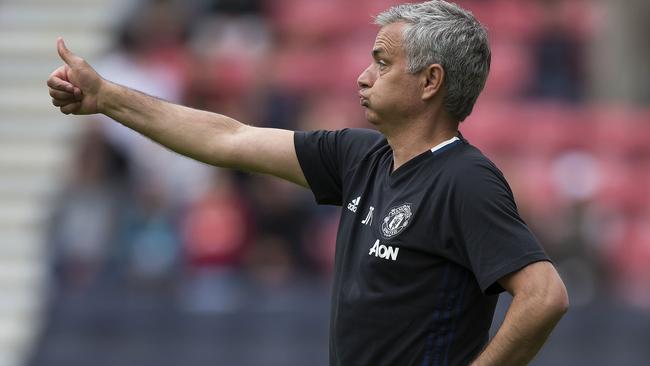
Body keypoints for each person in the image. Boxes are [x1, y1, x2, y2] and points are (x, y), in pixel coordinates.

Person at [47, 1, 568, 365]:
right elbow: (227, 139)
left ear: (431, 82)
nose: (363, 77)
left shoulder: (466, 179)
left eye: (383, 63)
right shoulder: (359, 156)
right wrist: (107, 98)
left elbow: (544, 296)